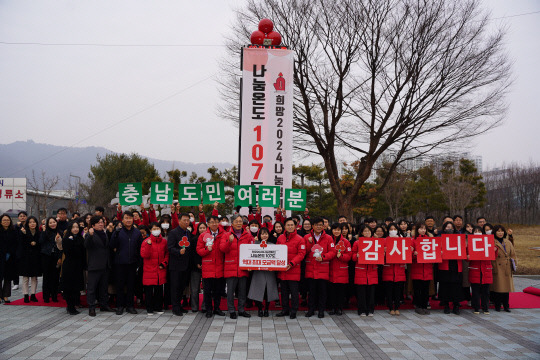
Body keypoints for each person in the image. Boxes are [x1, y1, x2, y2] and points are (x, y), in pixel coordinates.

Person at [110, 211, 143, 315]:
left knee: (131, 285)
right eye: (126, 218)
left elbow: (140, 248)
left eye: (130, 218)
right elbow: (111, 245)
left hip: (132, 263)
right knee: (119, 285)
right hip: (120, 263)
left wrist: (138, 262)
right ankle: (120, 306)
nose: (128, 220)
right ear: (122, 220)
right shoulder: (118, 232)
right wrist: (115, 233)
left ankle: (130, 306)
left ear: (133, 219)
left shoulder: (137, 232)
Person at [220, 214, 253, 319]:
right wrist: (229, 242)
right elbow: (222, 249)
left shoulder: (247, 235)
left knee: (242, 291)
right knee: (230, 291)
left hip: (243, 267)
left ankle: (241, 310)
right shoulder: (226, 234)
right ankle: (231, 310)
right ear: (232, 223)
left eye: (241, 221)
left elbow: (251, 250)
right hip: (231, 267)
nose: (239, 223)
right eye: (237, 221)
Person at [303, 217, 335, 318]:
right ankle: (311, 310)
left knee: (322, 292)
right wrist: (309, 242)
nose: (318, 227)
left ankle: (321, 310)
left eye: (320, 225)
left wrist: (323, 257)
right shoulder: (307, 237)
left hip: (323, 269)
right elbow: (305, 252)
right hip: (311, 268)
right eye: (316, 225)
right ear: (312, 226)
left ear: (323, 226)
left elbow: (333, 252)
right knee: (311, 292)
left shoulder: (329, 238)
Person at [276, 218, 306, 319]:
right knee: (284, 292)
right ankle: (285, 309)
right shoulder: (280, 238)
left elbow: (301, 254)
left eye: (291, 225)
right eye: (288, 225)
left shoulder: (300, 239)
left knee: (294, 292)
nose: (290, 227)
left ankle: (294, 310)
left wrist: (292, 263)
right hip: (282, 270)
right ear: (284, 226)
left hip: (293, 269)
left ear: (295, 226)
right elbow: (276, 251)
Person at [197, 215, 226, 318]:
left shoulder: (224, 235)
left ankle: (217, 308)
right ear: (208, 224)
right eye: (212, 222)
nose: (214, 224)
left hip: (219, 267)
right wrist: (206, 250)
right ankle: (209, 309)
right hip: (208, 268)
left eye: (216, 222)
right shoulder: (203, 236)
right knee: (207, 291)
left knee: (218, 291)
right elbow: (199, 250)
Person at [85, 216, 114, 316]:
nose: (101, 224)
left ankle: (104, 305)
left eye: (102, 222)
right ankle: (91, 307)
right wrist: (90, 235)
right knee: (92, 288)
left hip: (105, 265)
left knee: (104, 287)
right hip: (95, 265)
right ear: (93, 225)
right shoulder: (90, 234)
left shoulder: (105, 233)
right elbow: (87, 245)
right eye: (98, 223)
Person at [248, 227, 279, 317]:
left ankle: (266, 309)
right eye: (262, 234)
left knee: (268, 291)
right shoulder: (254, 245)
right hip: (258, 272)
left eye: (266, 234)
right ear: (259, 235)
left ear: (268, 235)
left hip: (270, 271)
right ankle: (259, 309)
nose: (264, 235)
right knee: (258, 290)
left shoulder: (273, 245)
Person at [141, 222, 169, 315]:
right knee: (149, 290)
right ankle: (149, 308)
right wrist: (149, 245)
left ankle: (158, 307)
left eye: (157, 228)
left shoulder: (164, 241)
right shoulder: (146, 241)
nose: (156, 230)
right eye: (154, 228)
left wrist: (164, 263)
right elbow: (144, 255)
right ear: (150, 230)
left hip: (160, 269)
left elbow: (167, 254)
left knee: (159, 289)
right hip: (149, 270)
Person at [353, 225, 378, 316]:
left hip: (372, 270)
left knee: (371, 293)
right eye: (365, 231)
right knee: (361, 293)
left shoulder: (376, 242)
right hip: (361, 270)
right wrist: (357, 256)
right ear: (362, 233)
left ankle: (370, 310)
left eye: (369, 231)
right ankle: (362, 310)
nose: (367, 233)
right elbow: (352, 256)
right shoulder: (357, 243)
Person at [438, 221, 463, 314]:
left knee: (456, 286)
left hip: (456, 265)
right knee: (445, 286)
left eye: (451, 228)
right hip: (445, 266)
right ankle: (446, 305)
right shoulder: (440, 239)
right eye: (447, 227)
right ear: (444, 229)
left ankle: (456, 305)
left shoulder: (459, 239)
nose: (450, 229)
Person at [382, 224, 407, 316]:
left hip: (399, 270)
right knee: (389, 290)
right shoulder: (384, 241)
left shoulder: (402, 241)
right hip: (388, 269)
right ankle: (390, 307)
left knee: (398, 290)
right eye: (391, 229)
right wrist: (383, 251)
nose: (393, 230)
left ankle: (397, 307)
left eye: (395, 229)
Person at [61, 221, 85, 315]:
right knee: (69, 287)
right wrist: (72, 241)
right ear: (70, 229)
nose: (75, 229)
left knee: (76, 287)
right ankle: (70, 307)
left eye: (77, 227)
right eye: (73, 227)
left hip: (78, 266)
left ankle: (75, 304)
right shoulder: (66, 239)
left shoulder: (80, 238)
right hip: (69, 266)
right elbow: (68, 252)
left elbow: (82, 252)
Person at [491, 225, 516, 312]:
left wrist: (514, 264)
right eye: (498, 231)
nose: (500, 233)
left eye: (502, 231)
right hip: (497, 266)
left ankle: (506, 305)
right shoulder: (492, 242)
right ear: (494, 232)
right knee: (498, 287)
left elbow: (513, 254)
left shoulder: (507, 242)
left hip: (507, 266)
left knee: (506, 288)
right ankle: (497, 305)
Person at [328, 223, 352, 316]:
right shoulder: (329, 240)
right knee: (332, 291)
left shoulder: (346, 242)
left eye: (338, 230)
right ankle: (333, 308)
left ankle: (340, 308)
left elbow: (349, 256)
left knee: (340, 292)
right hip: (331, 269)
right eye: (334, 229)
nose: (336, 231)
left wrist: (341, 256)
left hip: (342, 270)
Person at [468, 226, 492, 315]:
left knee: (486, 291)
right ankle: (476, 307)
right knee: (475, 291)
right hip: (475, 270)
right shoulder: (470, 243)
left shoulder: (488, 241)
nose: (477, 232)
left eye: (479, 231)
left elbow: (493, 256)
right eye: (475, 231)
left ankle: (485, 307)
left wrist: (494, 250)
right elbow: (467, 257)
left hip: (486, 269)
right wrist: (468, 256)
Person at [17, 216, 41, 303]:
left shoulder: (39, 232)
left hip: (35, 258)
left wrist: (36, 243)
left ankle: (33, 295)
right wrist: (24, 235)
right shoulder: (23, 232)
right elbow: (21, 244)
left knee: (34, 277)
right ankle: (26, 295)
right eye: (30, 222)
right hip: (25, 257)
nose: (32, 224)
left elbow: (40, 243)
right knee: (26, 278)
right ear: (27, 224)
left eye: (34, 222)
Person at [39, 217, 62, 303]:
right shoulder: (45, 232)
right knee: (46, 277)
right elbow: (40, 241)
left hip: (56, 257)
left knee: (55, 278)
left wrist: (60, 257)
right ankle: (46, 296)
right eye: (50, 223)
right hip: (46, 257)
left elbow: (61, 247)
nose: (53, 224)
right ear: (48, 224)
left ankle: (54, 296)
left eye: (54, 222)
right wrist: (44, 232)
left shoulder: (60, 232)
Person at [411, 223, 433, 315]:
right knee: (417, 289)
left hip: (427, 268)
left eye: (424, 229)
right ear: (417, 230)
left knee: (425, 289)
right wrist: (414, 254)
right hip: (417, 268)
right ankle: (418, 305)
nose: (423, 230)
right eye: (421, 228)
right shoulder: (413, 240)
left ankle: (424, 305)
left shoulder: (430, 240)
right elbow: (409, 254)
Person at [0, 214, 18, 303]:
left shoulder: (13, 231)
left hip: (10, 257)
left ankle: (6, 295)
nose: (6, 222)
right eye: (4, 220)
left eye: (8, 220)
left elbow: (16, 244)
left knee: (8, 277)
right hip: (0, 256)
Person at [189, 222, 206, 312]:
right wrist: (197, 263)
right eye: (201, 228)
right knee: (194, 289)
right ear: (198, 229)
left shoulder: (210, 239)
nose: (202, 230)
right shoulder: (194, 239)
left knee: (206, 288)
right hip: (195, 267)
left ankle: (204, 306)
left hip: (207, 266)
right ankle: (194, 307)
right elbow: (192, 253)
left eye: (204, 228)